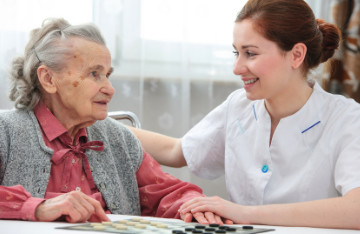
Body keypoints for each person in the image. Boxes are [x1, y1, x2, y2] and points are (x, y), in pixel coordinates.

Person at [129, 0, 360, 229]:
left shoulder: (347, 119)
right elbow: (177, 151)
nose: (237, 68)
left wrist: (245, 213)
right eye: (236, 52)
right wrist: (101, 124)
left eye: (250, 53)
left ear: (296, 55)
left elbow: (356, 209)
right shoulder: (238, 106)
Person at [0, 18, 229, 225]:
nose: (109, 89)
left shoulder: (119, 139)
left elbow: (166, 191)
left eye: (107, 75)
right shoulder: (5, 131)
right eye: (94, 74)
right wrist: (37, 207)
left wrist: (197, 206)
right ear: (48, 79)